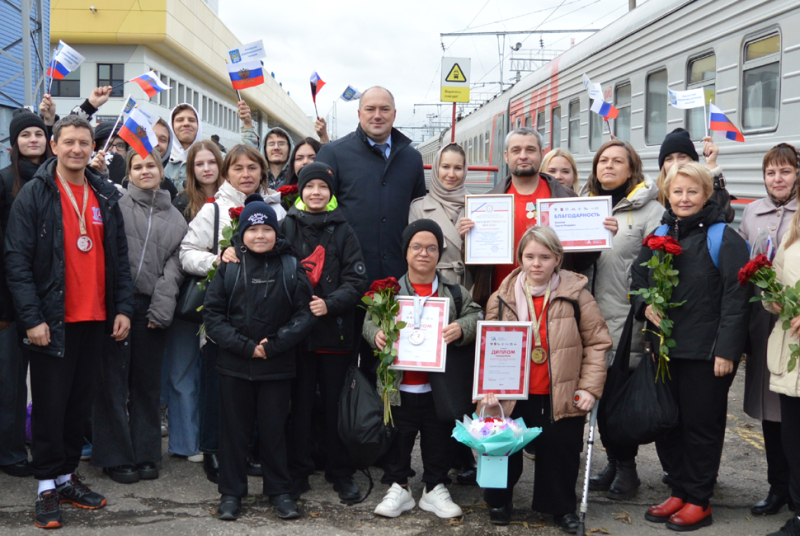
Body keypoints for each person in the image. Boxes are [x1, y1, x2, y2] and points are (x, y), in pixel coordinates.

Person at [4, 115, 133, 529]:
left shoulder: (105, 193)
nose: (77, 149)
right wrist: (31, 319)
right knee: (49, 407)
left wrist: (123, 308)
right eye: (69, 142)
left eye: (83, 143)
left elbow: (120, 259)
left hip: (96, 318)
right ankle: (45, 485)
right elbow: (17, 263)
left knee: (79, 407)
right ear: (54, 145)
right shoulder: (35, 194)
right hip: (51, 321)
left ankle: (65, 477)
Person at [632, 162, 751, 531]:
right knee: (670, 424)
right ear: (668, 193)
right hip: (666, 349)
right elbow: (638, 277)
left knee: (701, 427)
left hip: (706, 354)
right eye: (677, 191)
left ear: (706, 194)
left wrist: (727, 351)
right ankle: (679, 490)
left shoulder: (723, 238)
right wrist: (643, 305)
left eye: (692, 192)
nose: (684, 199)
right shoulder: (660, 232)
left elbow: (737, 297)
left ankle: (699, 499)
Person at [480, 226, 610, 533]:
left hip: (559, 390)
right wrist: (486, 388)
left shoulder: (578, 295)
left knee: (560, 452)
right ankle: (498, 499)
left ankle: (561, 507)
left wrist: (590, 387)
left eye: (544, 257)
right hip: (515, 391)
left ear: (558, 259)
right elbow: (488, 346)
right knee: (502, 447)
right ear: (520, 258)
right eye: (529, 256)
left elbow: (597, 343)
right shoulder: (501, 298)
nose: (536, 263)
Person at [203, 194, 316, 521]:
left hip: (277, 367)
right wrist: (243, 345)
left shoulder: (291, 265)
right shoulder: (229, 267)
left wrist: (274, 344)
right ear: (242, 234)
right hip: (235, 366)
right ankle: (231, 493)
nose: (260, 236)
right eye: (252, 230)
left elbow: (304, 315)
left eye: (267, 228)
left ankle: (280, 491)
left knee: (274, 432)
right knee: (234, 434)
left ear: (276, 232)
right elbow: (213, 315)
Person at [261, 161, 368, 501]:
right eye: (310, 187)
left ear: (330, 193)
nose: (316, 192)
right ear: (301, 191)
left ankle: (341, 471)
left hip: (334, 334)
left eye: (323, 187)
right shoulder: (286, 226)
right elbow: (271, 269)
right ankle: (298, 470)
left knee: (335, 406)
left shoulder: (343, 229)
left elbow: (357, 279)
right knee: (300, 405)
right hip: (298, 337)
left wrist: (331, 303)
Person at [363, 220, 481, 520]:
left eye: (431, 247)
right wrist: (375, 333)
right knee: (397, 437)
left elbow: (476, 316)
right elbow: (369, 320)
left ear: (439, 253)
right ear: (406, 252)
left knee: (438, 436)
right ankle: (398, 486)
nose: (424, 253)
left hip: (437, 387)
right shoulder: (389, 290)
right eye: (417, 246)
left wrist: (461, 328)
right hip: (399, 385)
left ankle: (435, 487)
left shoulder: (454, 292)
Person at [179, 144, 283, 483]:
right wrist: (217, 260)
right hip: (225, 315)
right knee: (218, 388)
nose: (246, 174)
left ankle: (249, 450)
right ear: (227, 174)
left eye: (253, 167)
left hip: (267, 313)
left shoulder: (276, 208)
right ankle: (215, 450)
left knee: (257, 391)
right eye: (238, 168)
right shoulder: (214, 209)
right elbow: (186, 253)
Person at [316, 87, 426, 377]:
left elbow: (418, 214)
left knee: (388, 370)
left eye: (384, 109)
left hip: (395, 284)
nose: (377, 115)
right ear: (359, 113)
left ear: (394, 113)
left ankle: (385, 424)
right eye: (370, 109)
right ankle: (346, 423)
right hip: (345, 282)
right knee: (343, 374)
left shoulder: (411, 159)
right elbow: (320, 213)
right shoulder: (334, 153)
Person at [92, 149, 187, 483]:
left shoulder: (176, 218)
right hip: (116, 305)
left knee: (146, 385)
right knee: (112, 383)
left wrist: (161, 308)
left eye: (151, 165)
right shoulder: (115, 205)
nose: (145, 171)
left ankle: (146, 452)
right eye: (137, 166)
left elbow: (174, 270)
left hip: (150, 308)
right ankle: (114, 455)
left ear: (161, 171)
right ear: (128, 173)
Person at [582, 140, 664, 501]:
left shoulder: (651, 212)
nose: (609, 166)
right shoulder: (584, 206)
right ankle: (615, 463)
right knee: (599, 396)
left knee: (617, 399)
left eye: (618, 161)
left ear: (632, 169)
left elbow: (657, 268)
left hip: (624, 320)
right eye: (603, 160)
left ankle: (627, 470)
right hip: (589, 317)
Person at [464, 127, 597, 305]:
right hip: (502, 300)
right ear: (506, 156)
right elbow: (474, 267)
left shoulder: (567, 199)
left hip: (555, 303)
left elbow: (582, 261)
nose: (523, 156)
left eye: (530, 150)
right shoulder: (486, 204)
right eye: (516, 150)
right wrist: (467, 239)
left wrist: (596, 235)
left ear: (542, 154)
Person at [738, 143, 798, 516]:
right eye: (771, 173)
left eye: (785, 171)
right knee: (770, 411)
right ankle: (777, 487)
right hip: (763, 323)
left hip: (793, 324)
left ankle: (795, 492)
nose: (777, 179)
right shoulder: (752, 212)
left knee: (792, 412)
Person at [163, 141, 224, 465]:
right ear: (191, 169)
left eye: (211, 162)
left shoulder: (231, 201)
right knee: (182, 371)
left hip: (225, 300)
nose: (206, 169)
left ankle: (212, 437)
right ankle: (186, 442)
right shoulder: (182, 202)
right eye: (199, 164)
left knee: (213, 374)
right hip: (188, 299)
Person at [0, 109, 53, 479]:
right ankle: (10, 451)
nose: (33, 139)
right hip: (8, 301)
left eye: (38, 133)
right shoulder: (4, 181)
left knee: (50, 382)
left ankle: (47, 447)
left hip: (49, 297)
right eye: (25, 135)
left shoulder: (56, 180)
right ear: (14, 143)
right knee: (10, 384)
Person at [764, 209, 800, 536]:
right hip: (791, 355)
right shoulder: (791, 238)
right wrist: (772, 299)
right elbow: (773, 283)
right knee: (793, 438)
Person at [409, 143, 472, 288]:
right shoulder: (418, 208)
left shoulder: (476, 206)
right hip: (433, 288)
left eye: (458, 168)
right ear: (436, 168)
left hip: (470, 289)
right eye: (445, 167)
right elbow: (414, 256)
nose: (451, 174)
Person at [655, 128, 734, 223]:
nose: (675, 163)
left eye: (682, 157)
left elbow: (725, 215)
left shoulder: (702, 187)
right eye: (669, 159)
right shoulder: (654, 194)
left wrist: (712, 168)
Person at [237, 100, 293, 189]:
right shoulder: (256, 178)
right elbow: (249, 149)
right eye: (271, 144)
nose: (276, 147)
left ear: (290, 148)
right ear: (264, 148)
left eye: (281, 144)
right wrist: (247, 124)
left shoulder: (296, 178)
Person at [165, 103, 203, 192]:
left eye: (191, 120)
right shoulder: (160, 160)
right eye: (180, 120)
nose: (186, 123)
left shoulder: (214, 158)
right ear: (171, 126)